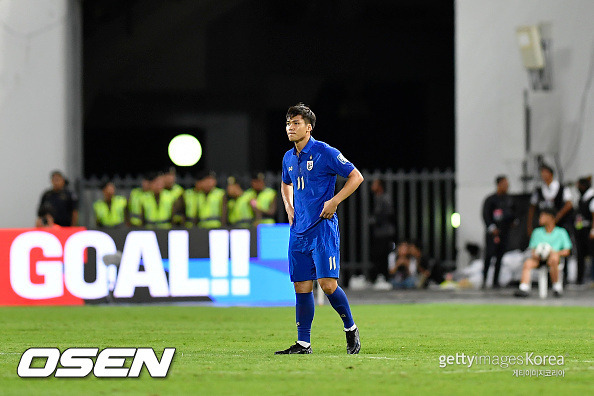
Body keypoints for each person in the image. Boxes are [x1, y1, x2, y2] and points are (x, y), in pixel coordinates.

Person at [276, 103, 364, 355]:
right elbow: (285, 184)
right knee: (301, 287)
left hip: (322, 230)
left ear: (309, 127)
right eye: (288, 124)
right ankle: (303, 344)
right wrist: (289, 207)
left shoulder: (324, 152)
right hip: (298, 231)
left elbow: (356, 176)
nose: (290, 128)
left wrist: (334, 201)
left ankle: (350, 328)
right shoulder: (288, 157)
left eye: (296, 123)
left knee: (326, 285)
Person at [514, 208, 572, 298]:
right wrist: (537, 254)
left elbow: (567, 251)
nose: (540, 218)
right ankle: (524, 288)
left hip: (553, 260)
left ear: (550, 218)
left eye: (543, 216)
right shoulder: (537, 232)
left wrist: (554, 252)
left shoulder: (561, 232)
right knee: (528, 263)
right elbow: (532, 249)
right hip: (539, 259)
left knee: (554, 258)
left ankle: (556, 287)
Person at [481, 175, 516, 289]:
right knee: (489, 255)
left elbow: (513, 214)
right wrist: (491, 228)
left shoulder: (508, 199)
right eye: (504, 184)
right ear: (498, 184)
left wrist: (513, 221)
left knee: (500, 257)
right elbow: (486, 215)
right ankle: (484, 279)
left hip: (504, 232)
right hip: (492, 234)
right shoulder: (490, 199)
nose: (506, 186)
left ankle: (495, 281)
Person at [369, 178, 395, 287]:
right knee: (377, 256)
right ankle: (378, 277)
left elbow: (388, 214)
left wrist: (376, 220)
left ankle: (385, 278)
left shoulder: (384, 198)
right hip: (379, 233)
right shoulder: (376, 198)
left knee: (384, 256)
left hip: (385, 233)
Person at [574, 176, 594, 285]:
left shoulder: (591, 197)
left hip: (589, 229)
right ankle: (580, 279)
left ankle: (592, 278)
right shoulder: (582, 198)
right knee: (580, 254)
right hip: (581, 229)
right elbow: (579, 216)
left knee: (592, 254)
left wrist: (593, 230)